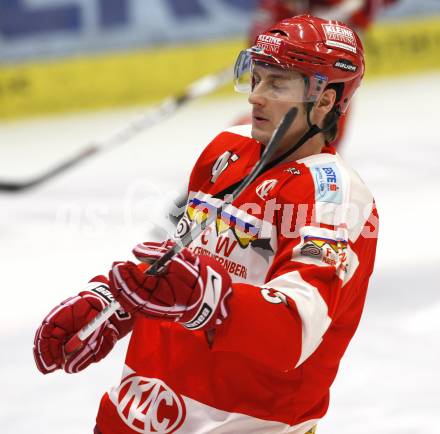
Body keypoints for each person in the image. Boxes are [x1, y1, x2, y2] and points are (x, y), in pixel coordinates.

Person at [33, 14, 379, 434]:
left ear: (325, 101)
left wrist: (207, 297)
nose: (256, 96)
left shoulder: (335, 199)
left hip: (243, 424)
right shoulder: (227, 147)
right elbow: (180, 260)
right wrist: (115, 302)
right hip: (138, 408)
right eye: (257, 77)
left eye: (278, 83)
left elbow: (292, 333)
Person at [239, 0, 397, 148]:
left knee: (324, 137)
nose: (254, 98)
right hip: (301, 73)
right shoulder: (274, 5)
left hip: (330, 71)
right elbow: (258, 43)